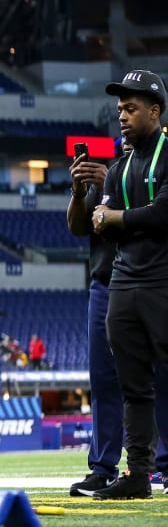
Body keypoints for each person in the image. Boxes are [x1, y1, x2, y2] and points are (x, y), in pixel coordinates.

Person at [66, 139, 168, 497]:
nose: (124, 124)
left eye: (130, 109)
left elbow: (156, 215)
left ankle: (164, 467)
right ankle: (103, 467)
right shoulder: (111, 177)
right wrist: (81, 192)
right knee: (105, 380)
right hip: (106, 282)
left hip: (153, 281)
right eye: (120, 113)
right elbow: (80, 227)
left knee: (157, 377)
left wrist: (112, 199)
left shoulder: (150, 172)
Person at [90, 69, 168, 500]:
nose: (122, 115)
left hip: (162, 282)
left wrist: (119, 218)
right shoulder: (119, 167)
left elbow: (163, 212)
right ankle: (138, 475)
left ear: (154, 111)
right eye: (120, 108)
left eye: (131, 108)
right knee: (133, 386)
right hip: (124, 283)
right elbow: (98, 222)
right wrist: (111, 217)